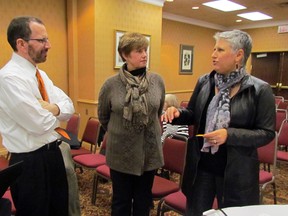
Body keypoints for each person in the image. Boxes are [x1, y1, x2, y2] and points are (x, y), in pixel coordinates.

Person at [163, 29, 275, 216]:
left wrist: (229, 135)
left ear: (239, 55)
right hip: (201, 168)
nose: (213, 55)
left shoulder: (259, 89)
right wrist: (177, 113)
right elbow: (193, 114)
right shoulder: (205, 81)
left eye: (220, 50)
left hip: (236, 173)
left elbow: (266, 133)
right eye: (214, 49)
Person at [0, 16, 75, 216]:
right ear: (21, 43)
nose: (48, 45)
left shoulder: (40, 75)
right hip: (29, 164)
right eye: (41, 40)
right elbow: (39, 124)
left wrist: (52, 109)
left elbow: (69, 106)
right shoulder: (9, 78)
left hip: (53, 156)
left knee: (60, 210)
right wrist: (56, 113)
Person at [98, 32, 165, 216]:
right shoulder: (110, 85)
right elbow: (104, 117)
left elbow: (157, 113)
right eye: (139, 51)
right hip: (121, 154)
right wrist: (123, 132)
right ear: (125, 55)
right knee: (121, 202)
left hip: (149, 154)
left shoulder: (157, 81)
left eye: (145, 50)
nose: (145, 54)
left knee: (143, 201)